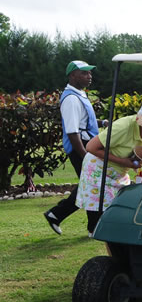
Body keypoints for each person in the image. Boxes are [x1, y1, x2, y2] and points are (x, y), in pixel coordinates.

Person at [75, 95, 142, 236]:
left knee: (119, 203)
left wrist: (135, 160)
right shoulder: (123, 126)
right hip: (98, 166)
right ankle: (96, 233)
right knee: (99, 205)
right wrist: (125, 162)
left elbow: (131, 150)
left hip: (119, 171)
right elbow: (91, 147)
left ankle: (106, 231)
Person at [44, 60, 107, 235]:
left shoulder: (79, 94)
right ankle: (61, 215)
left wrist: (102, 122)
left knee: (91, 185)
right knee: (92, 185)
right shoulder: (71, 99)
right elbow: (72, 132)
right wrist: (86, 155)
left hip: (87, 145)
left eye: (90, 72)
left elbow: (82, 122)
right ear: (73, 75)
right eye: (84, 73)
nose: (90, 76)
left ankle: (61, 216)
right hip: (81, 147)